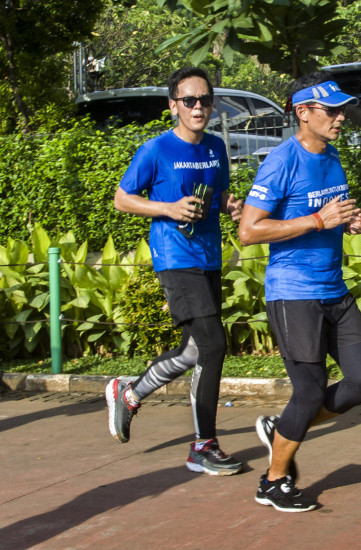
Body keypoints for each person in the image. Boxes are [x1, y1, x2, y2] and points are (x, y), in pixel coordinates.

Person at [239, 72, 361, 513]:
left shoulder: (332, 155)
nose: (341, 118)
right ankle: (273, 481)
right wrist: (319, 221)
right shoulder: (282, 162)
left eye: (342, 110)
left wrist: (350, 220)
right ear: (303, 112)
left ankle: (283, 430)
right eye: (331, 111)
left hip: (333, 290)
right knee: (310, 390)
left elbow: (333, 209)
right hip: (293, 293)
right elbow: (249, 230)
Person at [105, 67, 245, 476]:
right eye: (189, 101)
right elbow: (122, 199)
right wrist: (167, 208)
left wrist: (229, 207)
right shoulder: (155, 149)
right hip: (174, 256)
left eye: (204, 100)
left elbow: (218, 196)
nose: (198, 107)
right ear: (173, 106)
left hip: (208, 256)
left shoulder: (217, 147)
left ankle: (129, 393)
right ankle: (203, 446)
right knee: (214, 345)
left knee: (194, 350)